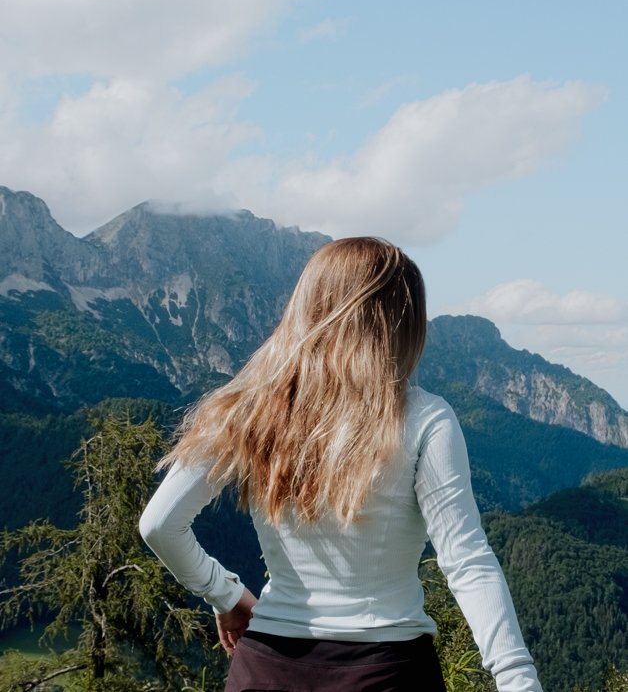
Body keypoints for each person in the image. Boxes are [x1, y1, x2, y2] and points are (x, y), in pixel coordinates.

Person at [140, 237, 543, 692]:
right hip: (388, 672)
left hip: (265, 669)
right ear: (399, 323)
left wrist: (226, 594)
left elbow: (160, 525)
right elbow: (466, 561)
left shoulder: (245, 409)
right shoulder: (425, 417)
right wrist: (517, 679)